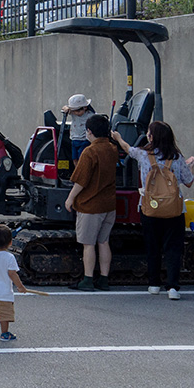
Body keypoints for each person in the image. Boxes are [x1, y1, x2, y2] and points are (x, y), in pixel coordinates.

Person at [112, 121, 194, 300]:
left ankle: (154, 284)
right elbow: (188, 181)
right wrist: (190, 166)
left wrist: (118, 138)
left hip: (149, 208)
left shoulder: (143, 154)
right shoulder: (176, 157)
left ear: (151, 137)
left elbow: (127, 149)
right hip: (174, 209)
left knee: (152, 246)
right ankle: (172, 287)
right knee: (173, 248)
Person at [64, 114, 119, 291]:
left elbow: (81, 180)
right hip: (109, 205)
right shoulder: (112, 149)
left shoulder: (90, 152)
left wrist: (70, 198)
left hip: (91, 205)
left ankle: (87, 280)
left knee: (88, 244)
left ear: (89, 131)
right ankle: (104, 279)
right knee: (104, 242)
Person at [61, 93, 95, 165]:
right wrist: (67, 108)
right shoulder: (73, 113)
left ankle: (82, 169)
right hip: (74, 139)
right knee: (74, 158)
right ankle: (77, 169)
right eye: (74, 111)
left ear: (85, 108)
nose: (76, 113)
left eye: (78, 111)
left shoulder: (90, 115)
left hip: (84, 139)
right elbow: (65, 108)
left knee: (82, 157)